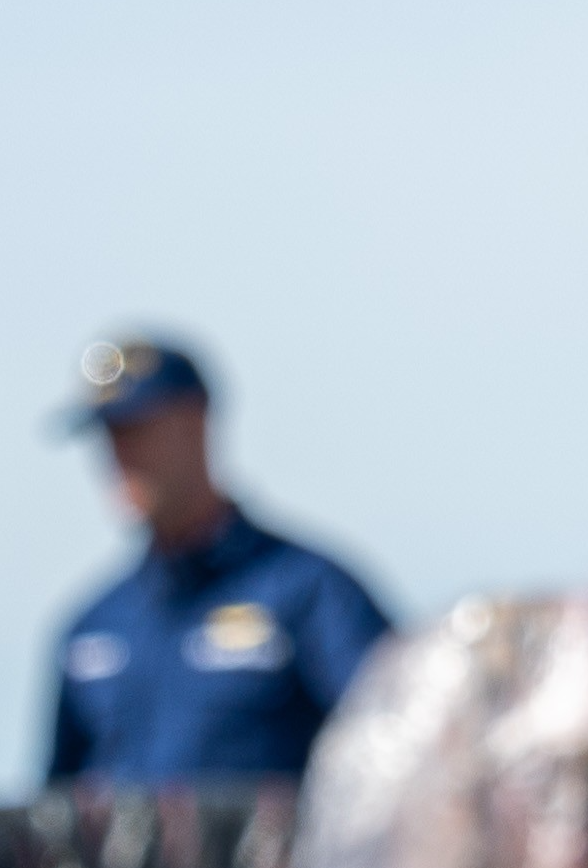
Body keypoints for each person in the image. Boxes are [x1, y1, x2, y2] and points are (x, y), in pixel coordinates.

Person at [41, 333, 395, 785]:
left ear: (197, 422)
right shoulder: (91, 626)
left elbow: (403, 755)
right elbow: (54, 812)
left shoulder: (310, 593)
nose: (121, 456)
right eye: (109, 436)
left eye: (137, 431)